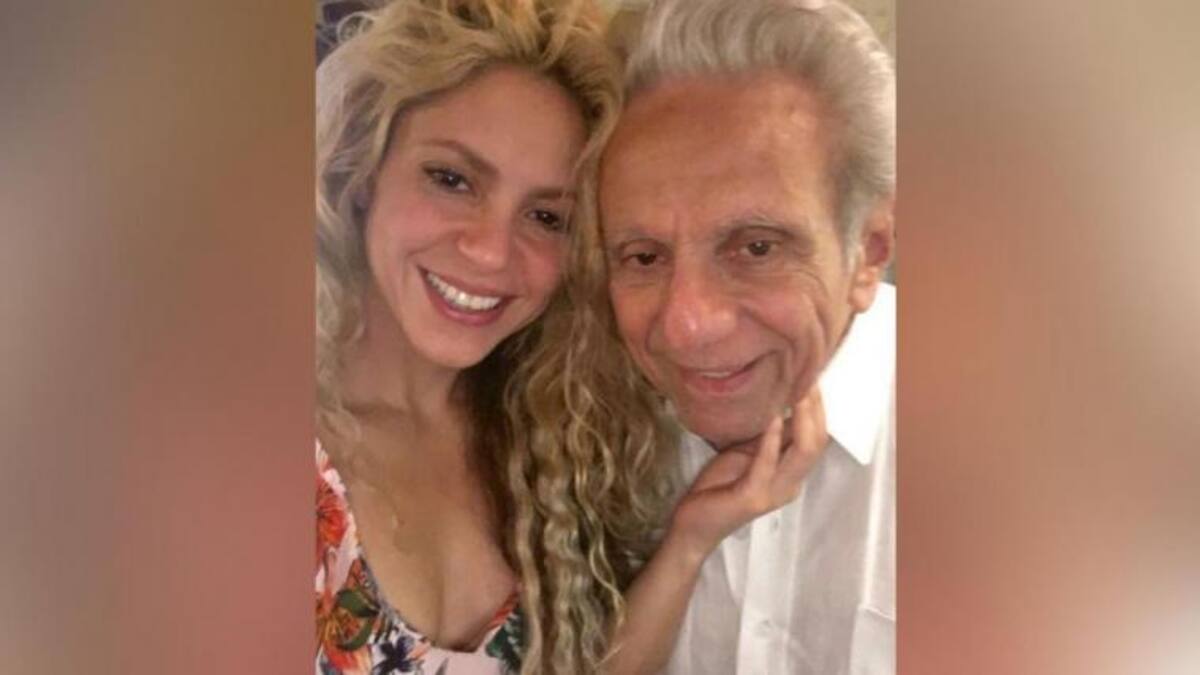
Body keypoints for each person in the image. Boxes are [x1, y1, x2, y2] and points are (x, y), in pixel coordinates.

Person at [314, 1, 669, 673]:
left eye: (546, 216)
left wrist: (695, 539)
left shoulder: (550, 439)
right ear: (361, 171)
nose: (489, 251)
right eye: (452, 179)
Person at [592, 0, 898, 673]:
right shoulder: (579, 427)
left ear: (869, 250)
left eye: (756, 247)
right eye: (644, 256)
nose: (686, 325)